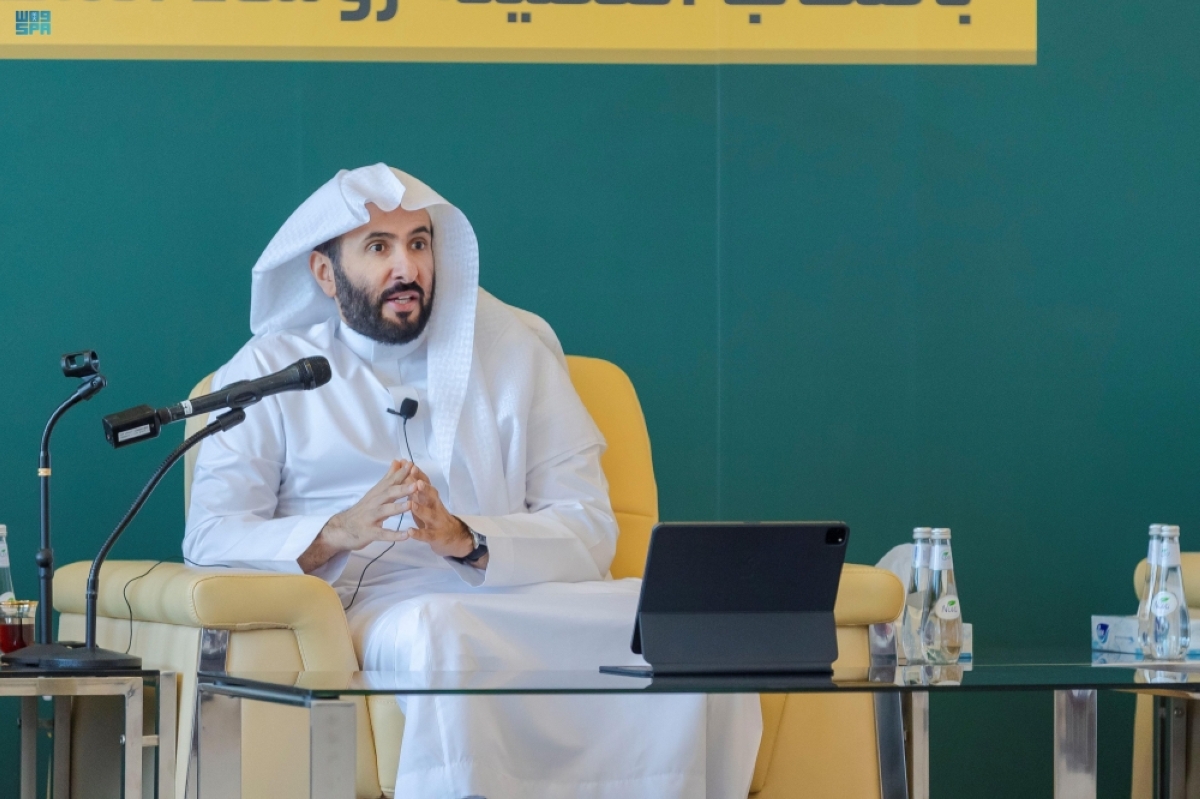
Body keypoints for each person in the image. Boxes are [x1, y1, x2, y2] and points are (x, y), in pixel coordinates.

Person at [183, 163, 761, 798]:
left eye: (419, 243)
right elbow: (210, 536)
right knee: (442, 629)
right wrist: (337, 531)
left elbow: (589, 525)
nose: (406, 267)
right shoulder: (272, 370)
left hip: (519, 590)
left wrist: (467, 539)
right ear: (325, 273)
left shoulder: (513, 353)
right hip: (386, 609)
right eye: (378, 247)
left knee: (687, 624)